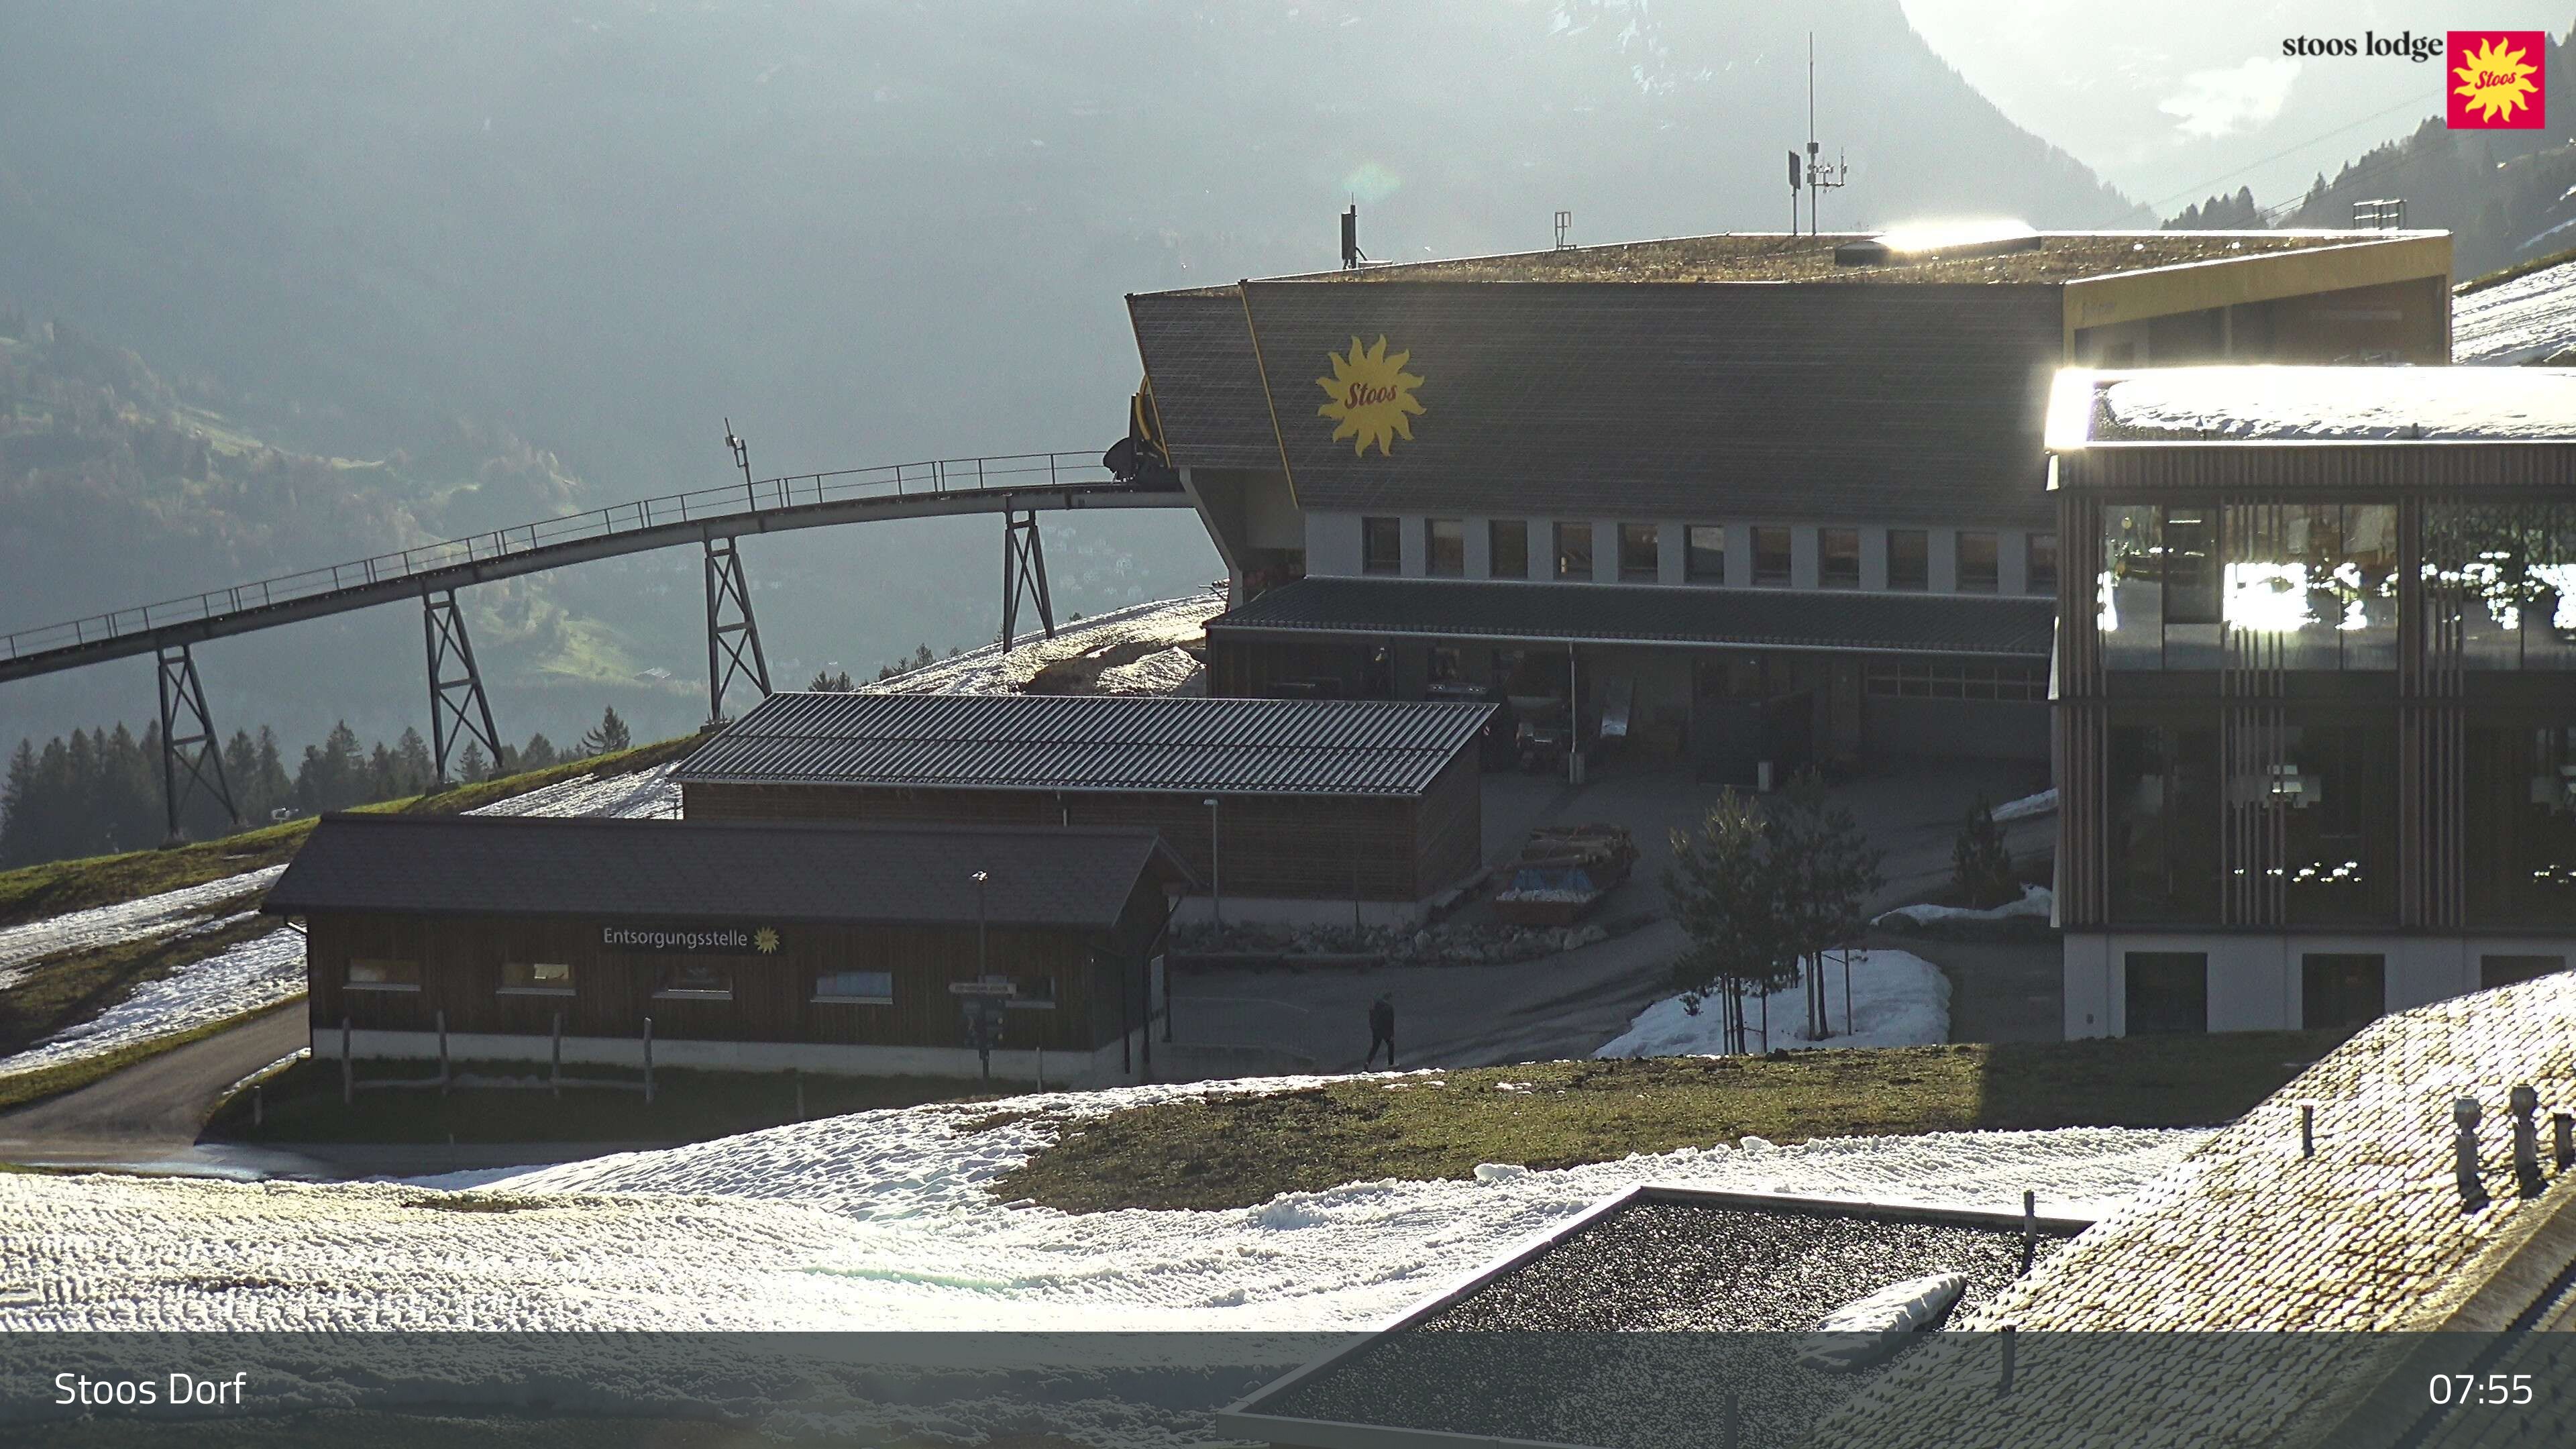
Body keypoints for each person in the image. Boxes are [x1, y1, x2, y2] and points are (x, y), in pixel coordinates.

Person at [1366, 994, 1396, 1067]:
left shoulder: (1376, 1007)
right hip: (1385, 1031)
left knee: (1375, 1047)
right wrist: (1392, 1034)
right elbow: (1390, 1022)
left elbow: (1371, 1018)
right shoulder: (1389, 1008)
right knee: (1391, 1045)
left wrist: (1373, 1028)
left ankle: (1368, 1062)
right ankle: (1391, 1064)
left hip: (1376, 1030)